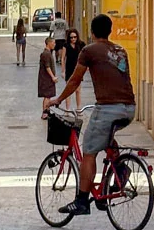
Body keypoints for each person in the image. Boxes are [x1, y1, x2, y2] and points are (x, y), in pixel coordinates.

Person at [43, 14, 135, 217]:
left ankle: (82, 200)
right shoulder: (121, 50)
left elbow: (75, 80)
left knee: (89, 152)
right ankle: (120, 170)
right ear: (109, 31)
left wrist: (58, 100)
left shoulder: (89, 51)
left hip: (108, 108)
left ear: (92, 32)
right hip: (129, 108)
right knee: (108, 138)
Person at [60, 28, 85, 110]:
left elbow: (85, 56)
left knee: (78, 90)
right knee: (68, 90)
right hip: (69, 69)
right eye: (71, 37)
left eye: (75, 37)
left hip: (78, 69)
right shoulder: (66, 45)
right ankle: (67, 109)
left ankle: (78, 108)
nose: (73, 39)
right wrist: (63, 71)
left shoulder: (81, 45)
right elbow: (63, 58)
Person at [37, 35, 58, 110]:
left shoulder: (48, 53)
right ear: (49, 43)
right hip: (46, 79)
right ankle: (45, 112)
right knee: (47, 96)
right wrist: (53, 77)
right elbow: (47, 67)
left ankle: (47, 111)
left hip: (47, 79)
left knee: (48, 96)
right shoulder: (46, 54)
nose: (54, 44)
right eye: (53, 43)